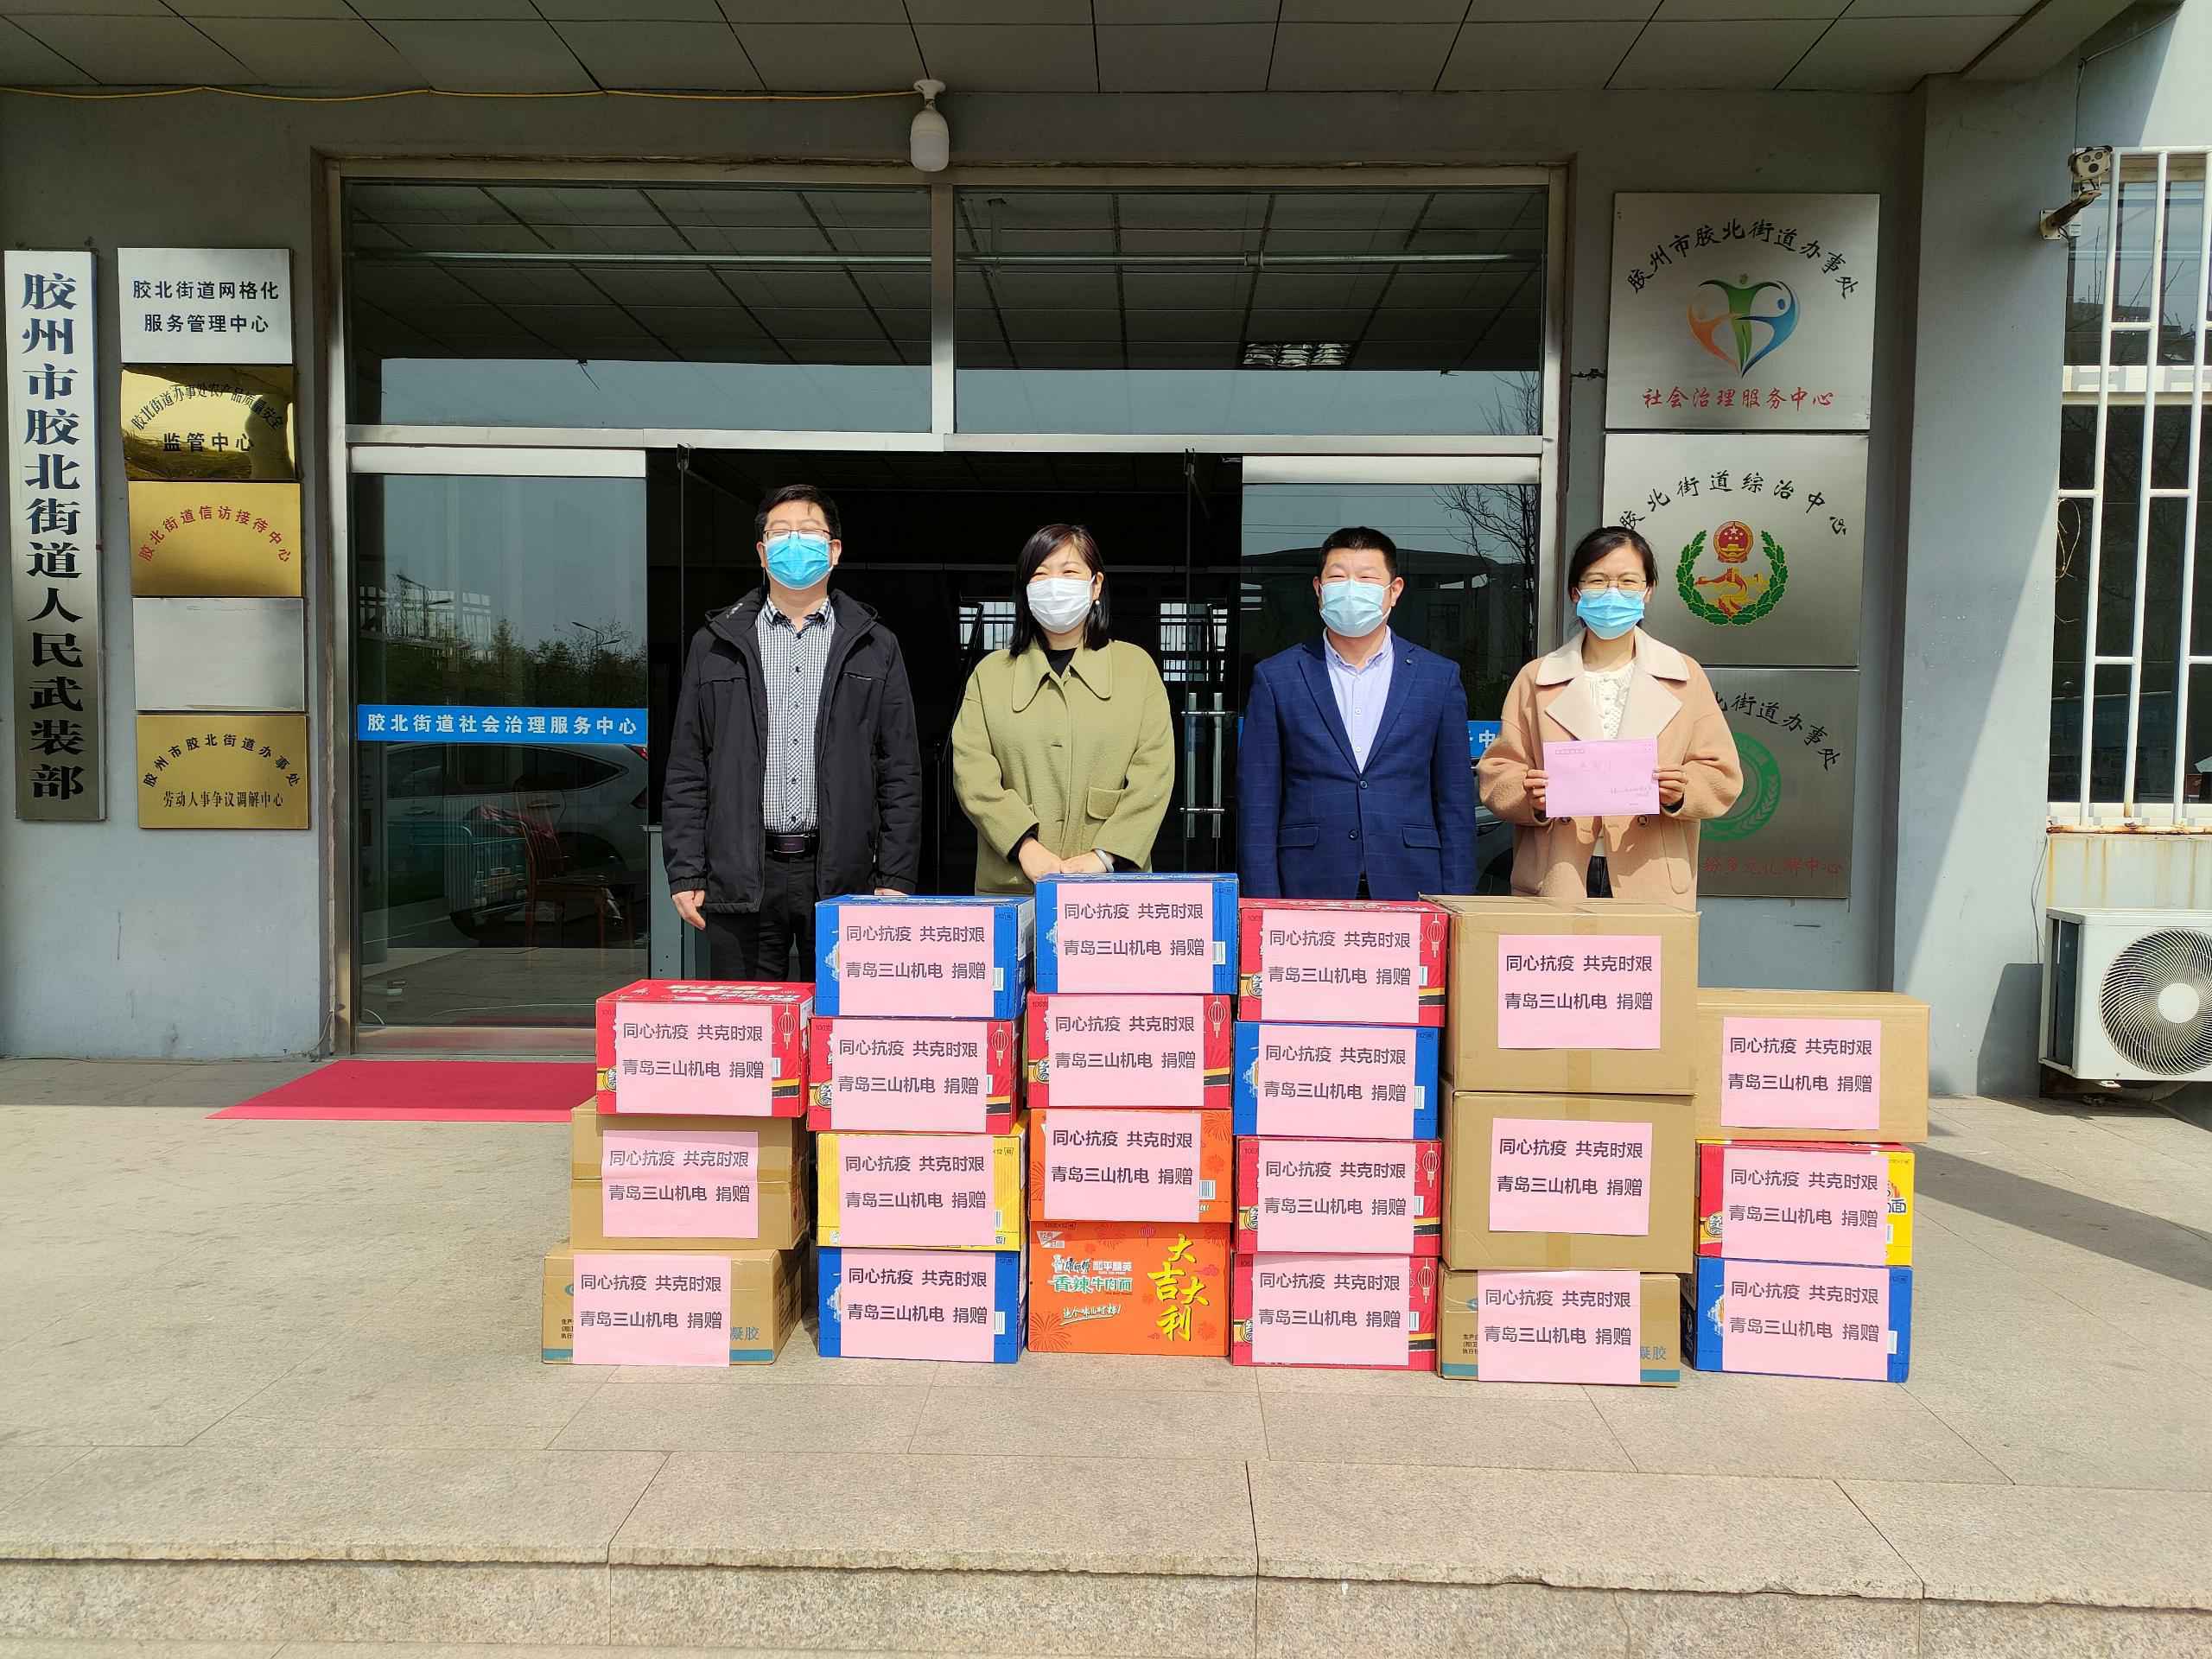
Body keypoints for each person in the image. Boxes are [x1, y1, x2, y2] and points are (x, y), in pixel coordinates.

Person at [663, 484, 921, 980]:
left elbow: (900, 770)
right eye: (781, 533)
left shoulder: (875, 645)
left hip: (844, 877)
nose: (795, 543)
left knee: (842, 1018)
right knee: (748, 1019)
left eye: (809, 531)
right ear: (762, 553)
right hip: (741, 876)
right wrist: (686, 869)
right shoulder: (715, 644)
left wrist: (895, 875)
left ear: (834, 550)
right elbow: (688, 767)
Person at [1478, 525, 1742, 908]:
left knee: (1643, 950)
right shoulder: (1537, 678)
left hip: (1651, 872)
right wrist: (1530, 795)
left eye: (1628, 581)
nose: (1612, 593)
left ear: (1648, 591)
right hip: (1559, 868)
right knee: (1559, 948)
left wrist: (1682, 790)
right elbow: (1499, 771)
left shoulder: (1684, 676)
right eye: (1597, 581)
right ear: (1576, 592)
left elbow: (1722, 774)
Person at [1238, 526, 1476, 900]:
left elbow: (1455, 799)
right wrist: (1261, 901)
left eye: (1366, 578)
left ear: (1394, 590)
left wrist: (1458, 901)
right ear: (1319, 589)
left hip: (1412, 881)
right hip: (1307, 881)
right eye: (1338, 577)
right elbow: (1258, 800)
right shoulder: (1277, 677)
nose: (1351, 589)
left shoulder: (1438, 677)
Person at [951, 523, 1174, 893]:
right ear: (1026, 590)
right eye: (1040, 575)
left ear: (1096, 585)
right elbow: (971, 772)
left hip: (1111, 891)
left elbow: (1154, 775)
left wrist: (1104, 857)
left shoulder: (1136, 669)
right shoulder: (990, 675)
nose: (1054, 585)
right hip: (1013, 886)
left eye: (1069, 572)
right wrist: (1024, 845)